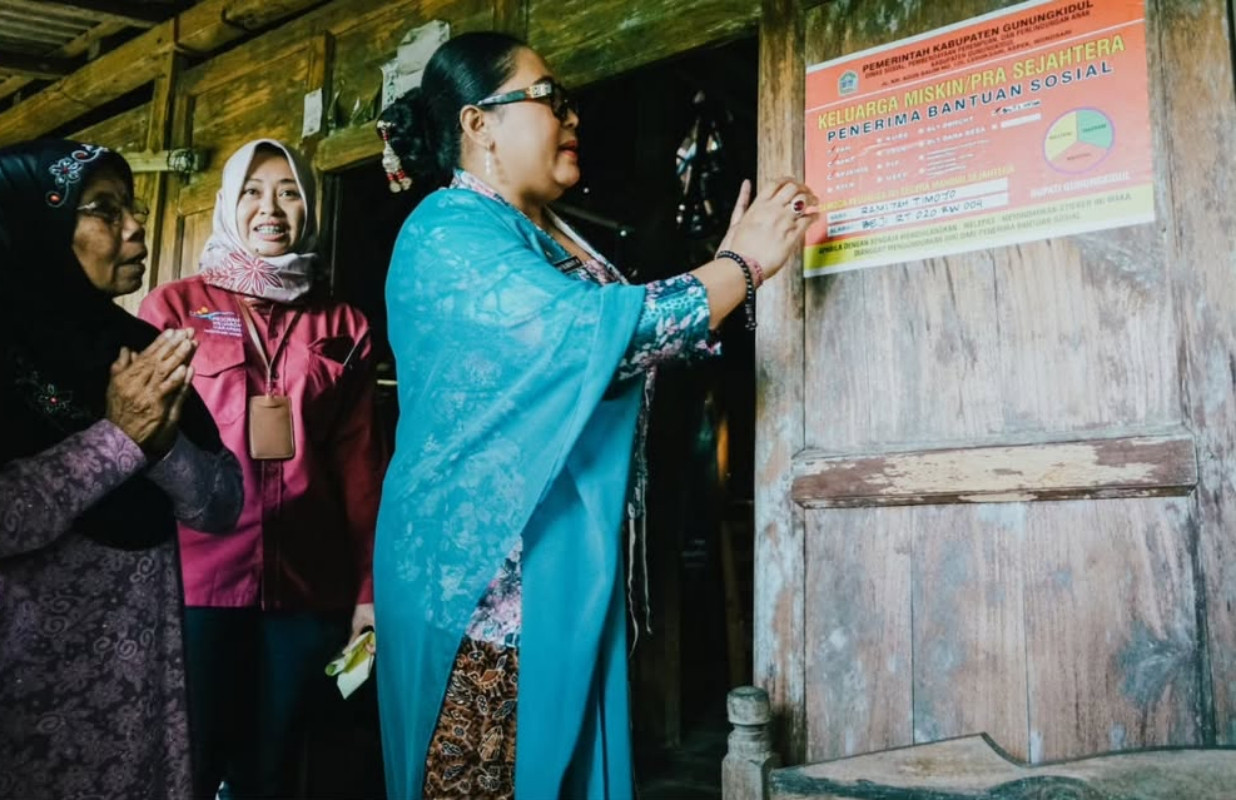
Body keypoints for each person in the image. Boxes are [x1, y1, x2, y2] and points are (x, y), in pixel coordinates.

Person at [373, 32, 817, 799]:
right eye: (548, 97)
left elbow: (631, 341)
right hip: (483, 577)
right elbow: (593, 337)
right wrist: (737, 268)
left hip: (561, 557)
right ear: (479, 125)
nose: (570, 115)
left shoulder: (548, 234)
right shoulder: (446, 230)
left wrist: (727, 272)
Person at [139, 139, 387, 798]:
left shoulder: (345, 323)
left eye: (288, 192)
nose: (270, 208)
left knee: (273, 770)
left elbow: (361, 465)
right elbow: (142, 450)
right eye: (253, 190)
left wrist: (367, 591)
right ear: (228, 202)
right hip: (193, 584)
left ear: (308, 207)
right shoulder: (172, 309)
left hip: (306, 589)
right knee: (184, 767)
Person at [0, 139, 244, 799]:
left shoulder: (140, 348)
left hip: (138, 673)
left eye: (131, 207)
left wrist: (162, 447)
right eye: (104, 210)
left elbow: (222, 503)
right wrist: (118, 438)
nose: (135, 225)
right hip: (25, 679)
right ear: (38, 224)